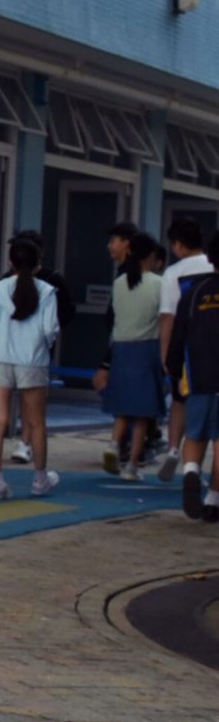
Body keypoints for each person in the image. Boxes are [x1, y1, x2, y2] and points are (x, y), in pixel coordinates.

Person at [0, 236, 61, 499]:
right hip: (32, 360)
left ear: (10, 262)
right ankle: (39, 479)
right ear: (38, 263)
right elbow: (50, 330)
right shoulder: (47, 292)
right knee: (36, 422)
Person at [166, 230, 219, 523]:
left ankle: (190, 472)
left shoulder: (194, 290)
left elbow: (179, 332)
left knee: (195, 432)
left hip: (198, 374)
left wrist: (173, 367)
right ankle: (213, 499)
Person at [104, 231, 166, 481]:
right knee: (142, 413)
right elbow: (164, 317)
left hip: (120, 348)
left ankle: (113, 444)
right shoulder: (158, 284)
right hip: (146, 348)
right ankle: (131, 466)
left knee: (122, 408)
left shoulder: (120, 282)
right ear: (150, 255)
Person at [159, 218, 214, 479]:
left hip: (188, 351)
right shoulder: (211, 266)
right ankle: (205, 478)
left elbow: (168, 317)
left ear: (178, 245)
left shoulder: (173, 273)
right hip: (211, 350)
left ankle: (173, 448)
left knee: (180, 400)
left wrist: (166, 353)